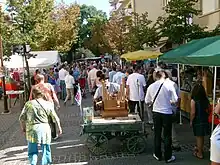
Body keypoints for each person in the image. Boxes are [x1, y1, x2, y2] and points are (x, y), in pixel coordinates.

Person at [19, 86, 62, 165]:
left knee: (32, 150)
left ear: (34, 94)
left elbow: (21, 118)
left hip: (32, 129)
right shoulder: (48, 104)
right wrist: (59, 127)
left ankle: (33, 163)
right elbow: (55, 117)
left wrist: (23, 128)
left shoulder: (28, 104)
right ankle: (46, 163)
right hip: (44, 128)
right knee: (46, 149)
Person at [145, 70, 178, 163]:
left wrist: (153, 101)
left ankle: (157, 154)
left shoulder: (151, 86)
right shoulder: (170, 85)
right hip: (167, 112)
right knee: (167, 135)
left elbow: (147, 101)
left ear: (156, 77)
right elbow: (175, 100)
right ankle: (168, 156)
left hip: (156, 112)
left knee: (157, 134)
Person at [29, 74, 60, 140]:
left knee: (41, 120)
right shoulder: (49, 85)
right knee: (52, 120)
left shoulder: (34, 87)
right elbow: (54, 95)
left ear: (36, 80)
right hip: (49, 104)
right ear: (44, 79)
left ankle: (42, 136)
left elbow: (31, 98)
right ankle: (54, 135)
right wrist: (57, 104)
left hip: (38, 105)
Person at [190, 83, 210, 159]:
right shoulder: (205, 100)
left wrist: (191, 121)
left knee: (199, 137)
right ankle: (199, 149)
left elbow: (193, 112)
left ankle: (200, 153)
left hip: (198, 120)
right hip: (205, 119)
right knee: (201, 137)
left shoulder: (193, 100)